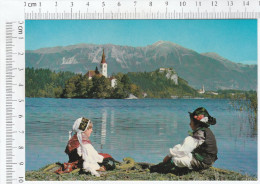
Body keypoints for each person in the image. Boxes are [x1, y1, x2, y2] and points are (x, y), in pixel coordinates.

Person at [150, 107, 218, 173]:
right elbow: (185, 147)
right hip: (206, 159)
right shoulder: (205, 131)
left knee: (175, 159)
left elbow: (183, 150)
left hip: (204, 162)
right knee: (179, 155)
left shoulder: (200, 134)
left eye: (191, 121)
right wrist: (172, 153)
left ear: (197, 123)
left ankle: (159, 170)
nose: (189, 124)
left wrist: (169, 156)